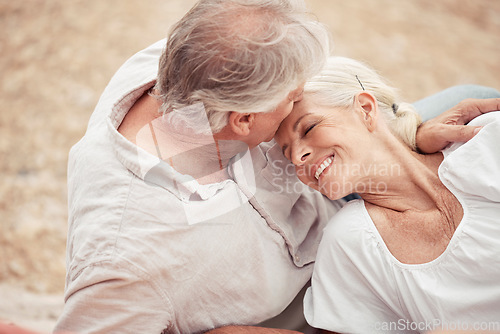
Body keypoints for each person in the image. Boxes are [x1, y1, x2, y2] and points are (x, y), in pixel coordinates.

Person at [53, 0, 500, 332]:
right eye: (291, 97)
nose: (300, 94)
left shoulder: (208, 55)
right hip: (305, 303)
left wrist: (408, 134)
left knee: (469, 100)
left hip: (335, 178)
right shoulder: (127, 259)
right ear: (244, 120)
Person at [274, 56, 500, 333]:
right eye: (287, 154)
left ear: (366, 109)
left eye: (309, 128)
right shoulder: (348, 242)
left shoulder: (484, 141)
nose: (297, 157)